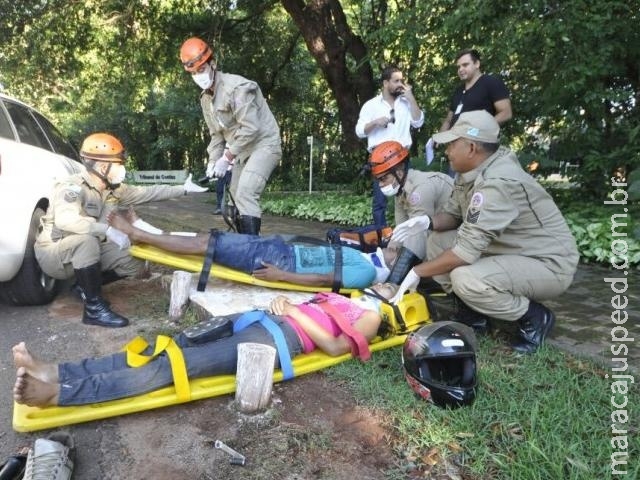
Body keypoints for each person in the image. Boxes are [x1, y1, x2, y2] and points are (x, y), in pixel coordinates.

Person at [390, 111, 579, 354]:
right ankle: (473, 313)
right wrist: (426, 221)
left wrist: (417, 271)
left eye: (451, 144)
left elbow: (464, 253)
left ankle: (533, 317)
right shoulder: (469, 171)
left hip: (548, 263)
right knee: (437, 242)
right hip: (510, 249)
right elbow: (453, 216)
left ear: (471, 148)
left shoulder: (497, 183)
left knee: (466, 279)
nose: (446, 150)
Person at [12, 292, 383, 407]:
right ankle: (56, 371)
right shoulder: (340, 294)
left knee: (178, 364)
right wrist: (285, 303)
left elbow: (335, 347)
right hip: (255, 319)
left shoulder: (372, 314)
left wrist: (292, 315)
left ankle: (61, 394)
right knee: (162, 347)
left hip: (277, 340)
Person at [34, 133, 208, 328]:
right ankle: (94, 309)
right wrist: (107, 230)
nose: (122, 169)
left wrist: (183, 189)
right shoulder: (72, 187)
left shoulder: (114, 189)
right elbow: (66, 220)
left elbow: (149, 193)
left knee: (133, 259)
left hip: (86, 250)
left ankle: (84, 287)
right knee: (86, 241)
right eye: (118, 164)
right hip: (55, 253)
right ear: (102, 166)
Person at [107, 212, 414, 290]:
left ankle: (135, 233)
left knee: (206, 245)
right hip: (282, 248)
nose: (393, 242)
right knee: (207, 238)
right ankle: (146, 232)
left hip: (280, 260)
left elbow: (322, 280)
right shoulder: (367, 257)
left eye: (398, 247)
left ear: (397, 261)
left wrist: (280, 275)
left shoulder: (366, 272)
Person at [180, 37, 281, 235]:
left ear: (213, 64)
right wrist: (213, 161)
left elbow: (251, 128)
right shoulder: (206, 99)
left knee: (245, 193)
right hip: (243, 149)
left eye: (201, 69)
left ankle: (252, 251)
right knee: (233, 195)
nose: (198, 76)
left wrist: (227, 158)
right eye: (193, 73)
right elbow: (216, 134)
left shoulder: (237, 88)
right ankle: (241, 243)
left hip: (264, 144)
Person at [355, 65, 424, 228]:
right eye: (396, 81)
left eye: (402, 80)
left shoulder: (407, 103)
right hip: (380, 159)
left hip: (401, 157)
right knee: (380, 202)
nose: (401, 84)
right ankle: (382, 238)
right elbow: (359, 131)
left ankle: (408, 236)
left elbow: (418, 121)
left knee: (408, 196)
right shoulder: (371, 105)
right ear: (386, 83)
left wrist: (411, 97)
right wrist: (374, 122)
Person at [369, 141, 453, 261]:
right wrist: (390, 252)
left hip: (456, 234)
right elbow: (401, 229)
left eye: (384, 179)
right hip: (438, 230)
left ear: (399, 172)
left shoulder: (421, 189)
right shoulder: (400, 190)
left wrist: (396, 273)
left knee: (418, 254)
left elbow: (417, 236)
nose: (381, 184)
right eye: (379, 180)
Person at [438, 49, 512, 176]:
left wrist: (476, 130)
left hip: (479, 151)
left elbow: (506, 113)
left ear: (477, 64)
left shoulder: (490, 83)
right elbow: (449, 119)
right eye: (458, 67)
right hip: (457, 151)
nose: (460, 69)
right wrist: (440, 138)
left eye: (465, 65)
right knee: (455, 190)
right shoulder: (458, 91)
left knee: (479, 191)